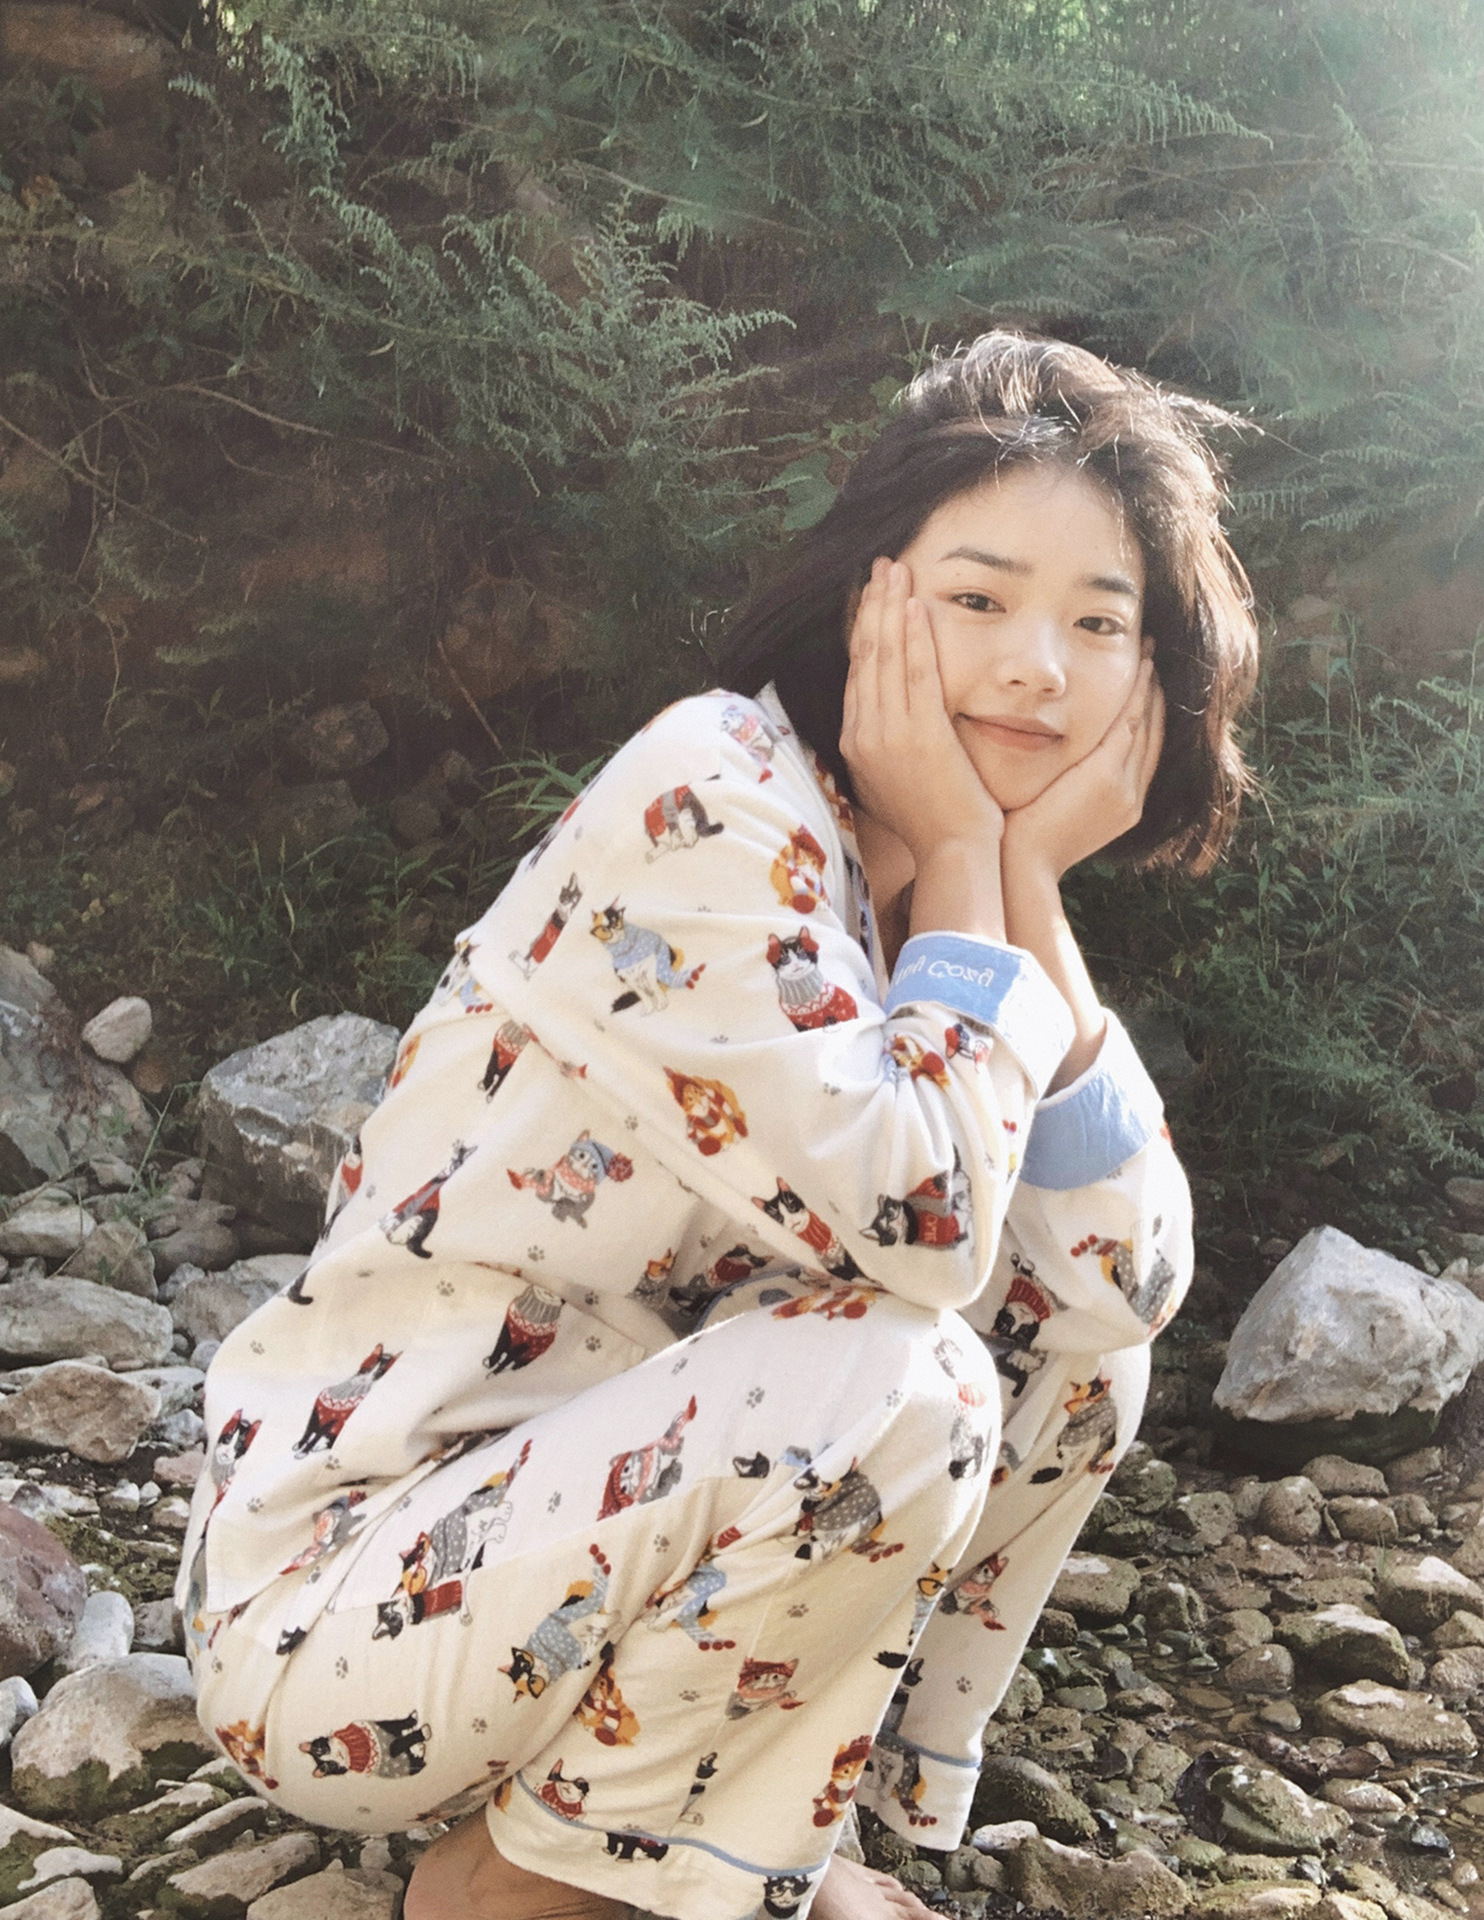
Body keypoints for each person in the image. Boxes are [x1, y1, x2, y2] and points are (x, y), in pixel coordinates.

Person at [177, 331, 1258, 1920]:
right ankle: (537, 1889)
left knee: (1076, 1355)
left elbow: (1121, 1287)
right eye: (980, 599)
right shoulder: (716, 796)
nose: (1043, 664)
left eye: (1101, 622)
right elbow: (928, 1231)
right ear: (868, 600)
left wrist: (1021, 884)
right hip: (345, 1617)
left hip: (553, 1577)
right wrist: (978, 863)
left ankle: (762, 1837)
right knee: (907, 1371)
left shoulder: (933, 897)